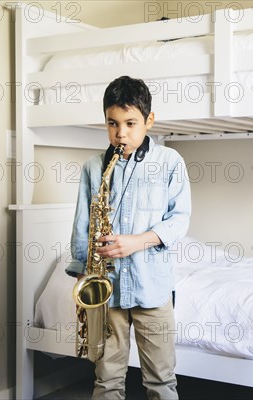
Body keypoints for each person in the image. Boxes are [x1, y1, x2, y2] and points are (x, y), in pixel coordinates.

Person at [66, 75, 191, 400]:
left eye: (131, 123)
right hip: (108, 292)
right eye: (113, 123)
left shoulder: (170, 162)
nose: (121, 133)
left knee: (161, 381)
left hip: (153, 288)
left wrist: (137, 241)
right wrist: (84, 276)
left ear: (149, 120)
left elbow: (179, 221)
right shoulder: (94, 167)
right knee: (106, 380)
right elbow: (83, 226)